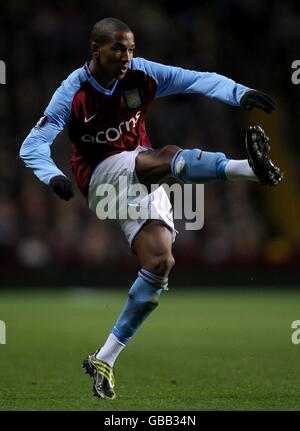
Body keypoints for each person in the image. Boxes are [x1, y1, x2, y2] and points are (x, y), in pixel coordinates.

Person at [19, 17, 283, 400]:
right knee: (168, 157)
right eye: (118, 49)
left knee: (160, 264)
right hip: (100, 176)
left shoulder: (143, 74)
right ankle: (250, 170)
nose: (127, 57)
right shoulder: (72, 90)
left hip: (138, 172)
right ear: (96, 50)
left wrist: (239, 93)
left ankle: (104, 358)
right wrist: (52, 177)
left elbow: (197, 79)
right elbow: (33, 144)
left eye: (131, 49)